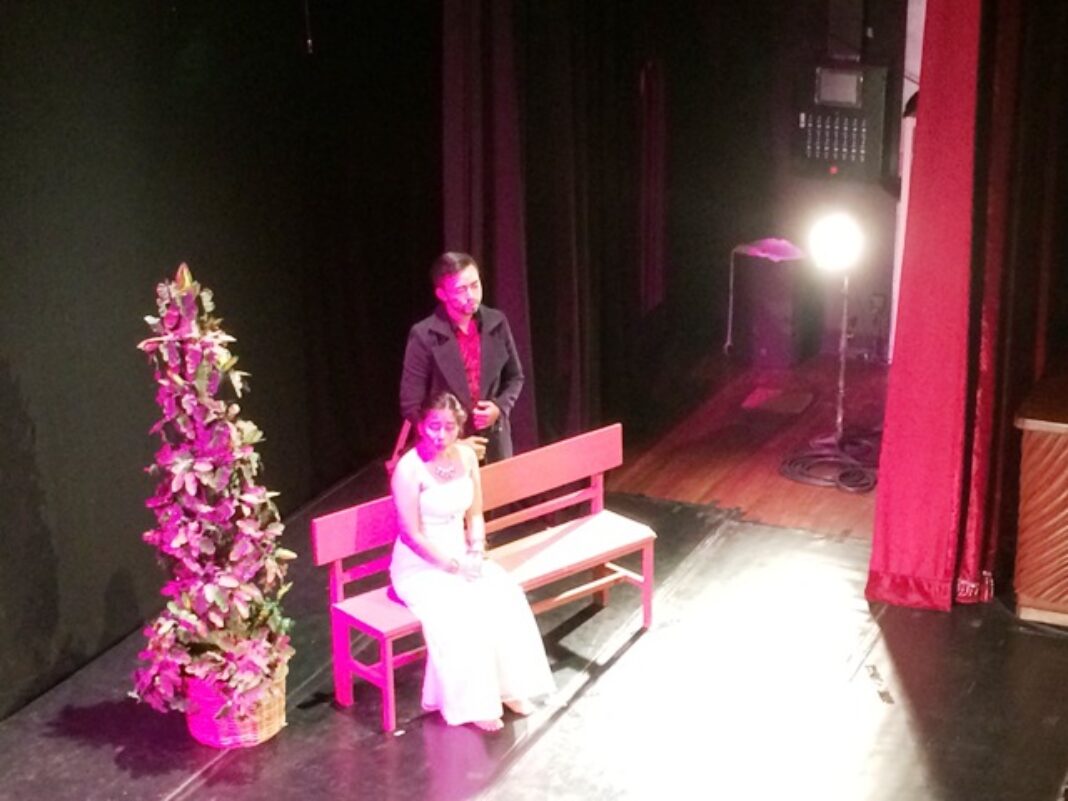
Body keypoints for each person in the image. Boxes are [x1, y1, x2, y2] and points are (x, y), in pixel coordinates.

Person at [389, 392, 555, 731]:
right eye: (434, 426)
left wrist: (476, 549)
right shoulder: (409, 469)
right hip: (422, 565)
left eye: (449, 427)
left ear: (459, 427)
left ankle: (509, 688)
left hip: (462, 554)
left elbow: (475, 513)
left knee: (504, 593)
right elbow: (411, 535)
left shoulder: (466, 457)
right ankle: (474, 702)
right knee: (461, 608)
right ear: (422, 426)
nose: (441, 434)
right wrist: (452, 565)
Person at [399, 252, 523, 463]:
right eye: (461, 290)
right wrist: (451, 441)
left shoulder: (496, 322)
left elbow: (515, 377)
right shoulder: (424, 335)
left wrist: (500, 407)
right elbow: (411, 403)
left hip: (494, 441)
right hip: (446, 448)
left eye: (475, 285)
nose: (471, 295)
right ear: (442, 294)